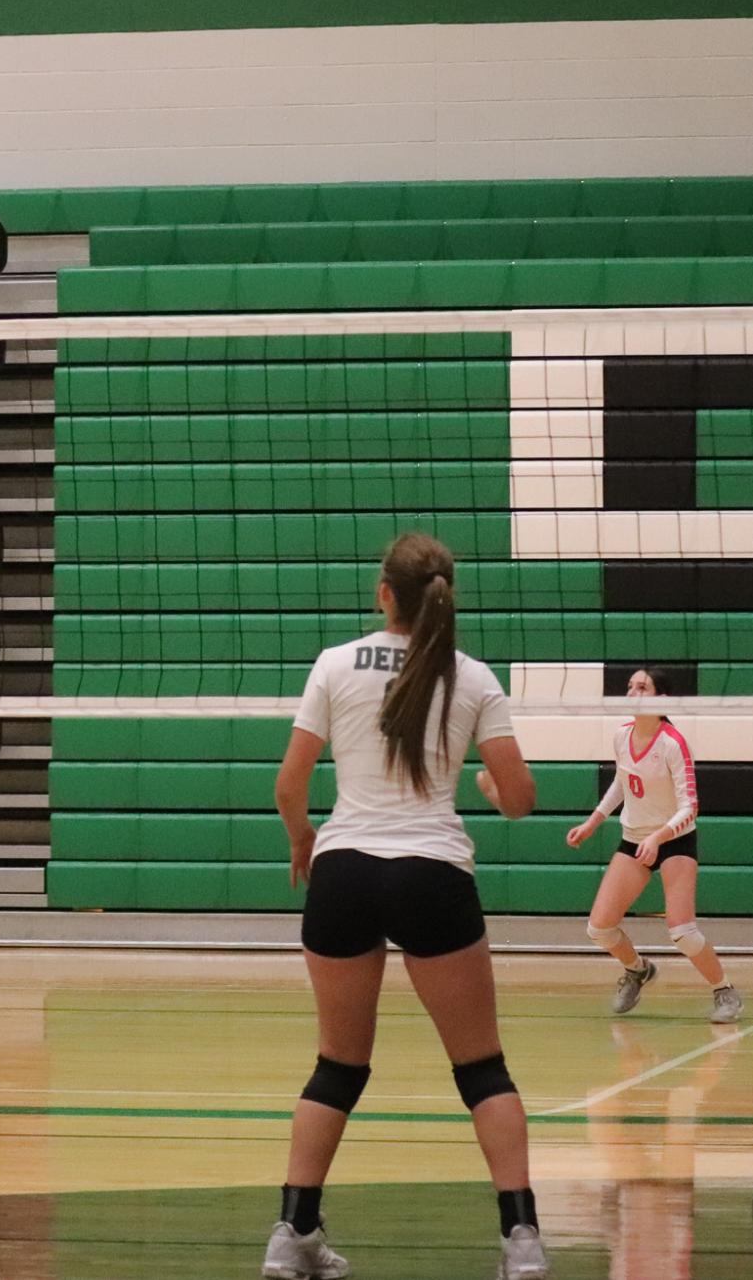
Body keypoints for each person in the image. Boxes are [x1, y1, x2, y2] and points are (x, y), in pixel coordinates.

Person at [262, 533, 546, 1280]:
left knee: (336, 1066)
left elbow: (289, 785)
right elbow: (520, 798)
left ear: (384, 593)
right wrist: (486, 789)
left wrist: (303, 840)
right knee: (481, 1068)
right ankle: (520, 1242)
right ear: (442, 597)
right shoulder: (474, 677)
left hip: (344, 871)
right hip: (430, 873)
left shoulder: (333, 663)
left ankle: (292, 1233)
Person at [566, 667, 741, 1024]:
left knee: (682, 932)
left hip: (674, 840)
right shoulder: (622, 736)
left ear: (662, 700)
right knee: (599, 928)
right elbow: (621, 781)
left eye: (641, 687)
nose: (631, 692)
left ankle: (725, 991)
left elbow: (690, 807)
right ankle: (638, 970)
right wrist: (592, 822)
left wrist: (657, 836)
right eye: (629, 686)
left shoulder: (672, 743)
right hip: (634, 839)